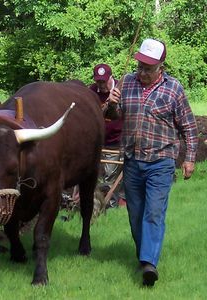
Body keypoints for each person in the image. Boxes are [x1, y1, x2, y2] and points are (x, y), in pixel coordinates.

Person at [109, 38, 198, 286]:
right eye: (140, 66)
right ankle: (143, 257)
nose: (142, 72)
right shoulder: (126, 82)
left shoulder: (174, 89)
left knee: (154, 212)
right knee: (135, 214)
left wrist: (189, 159)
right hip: (132, 160)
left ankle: (150, 264)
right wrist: (112, 104)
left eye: (148, 68)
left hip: (161, 161)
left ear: (161, 66)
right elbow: (112, 117)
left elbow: (189, 128)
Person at [89, 64, 124, 207]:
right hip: (96, 142)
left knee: (110, 177)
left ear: (111, 77)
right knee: (92, 176)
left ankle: (110, 207)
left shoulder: (121, 90)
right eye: (98, 81)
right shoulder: (91, 91)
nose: (101, 85)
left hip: (115, 141)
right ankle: (90, 204)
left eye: (104, 81)